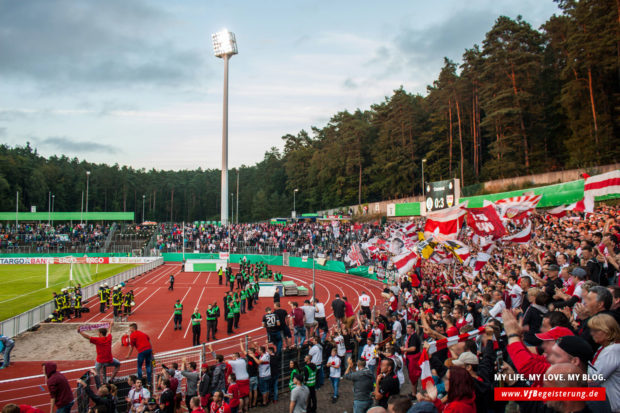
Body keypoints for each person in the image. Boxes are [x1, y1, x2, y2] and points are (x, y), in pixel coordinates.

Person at [587, 313, 620, 411]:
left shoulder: (612, 350)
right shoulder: (604, 347)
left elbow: (594, 380)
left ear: (607, 330)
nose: (591, 333)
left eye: (595, 330)